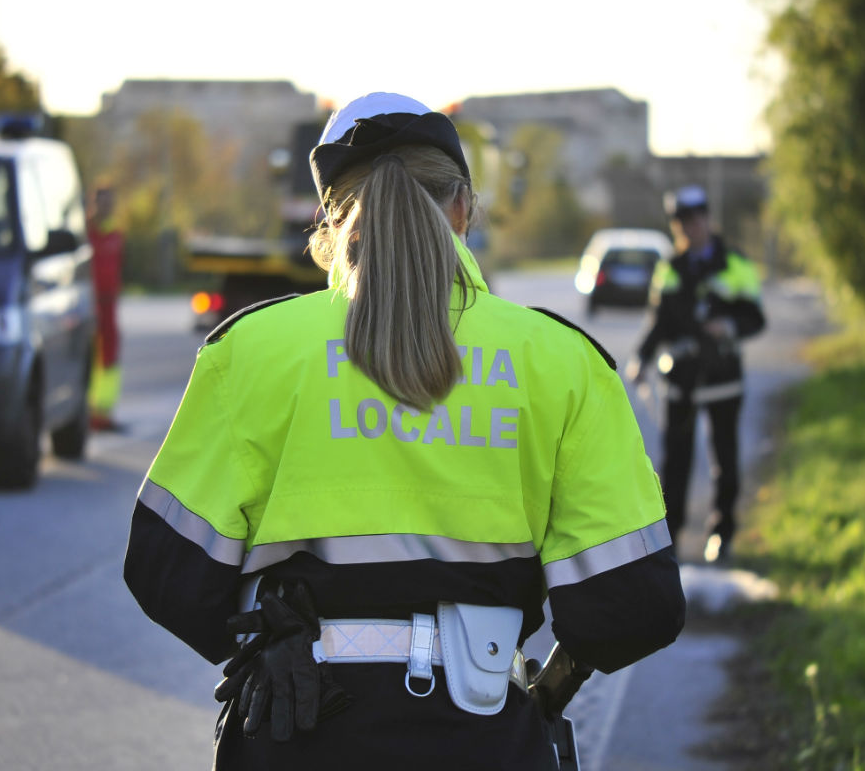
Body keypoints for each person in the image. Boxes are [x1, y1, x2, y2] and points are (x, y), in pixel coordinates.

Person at [123, 92, 685, 770]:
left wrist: (261, 635)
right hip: (484, 740)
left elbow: (164, 570)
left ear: (330, 223)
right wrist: (545, 691)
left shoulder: (252, 350)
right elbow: (633, 605)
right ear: (464, 210)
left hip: (298, 738)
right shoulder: (561, 361)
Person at [628, 185, 766, 563]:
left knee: (725, 459)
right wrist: (641, 358)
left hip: (723, 378)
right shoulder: (669, 267)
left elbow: (756, 318)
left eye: (696, 219)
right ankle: (670, 539)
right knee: (675, 463)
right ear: (677, 227)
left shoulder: (735, 263)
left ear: (708, 218)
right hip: (681, 381)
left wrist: (730, 326)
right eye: (682, 222)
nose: (691, 227)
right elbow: (657, 322)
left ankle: (722, 535)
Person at [86, 183, 124, 431]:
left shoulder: (117, 235)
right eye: (102, 201)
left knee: (109, 356)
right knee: (88, 356)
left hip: (109, 304)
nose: (107, 207)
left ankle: (105, 412)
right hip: (89, 305)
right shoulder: (85, 233)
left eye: (110, 202)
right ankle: (88, 413)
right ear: (94, 203)